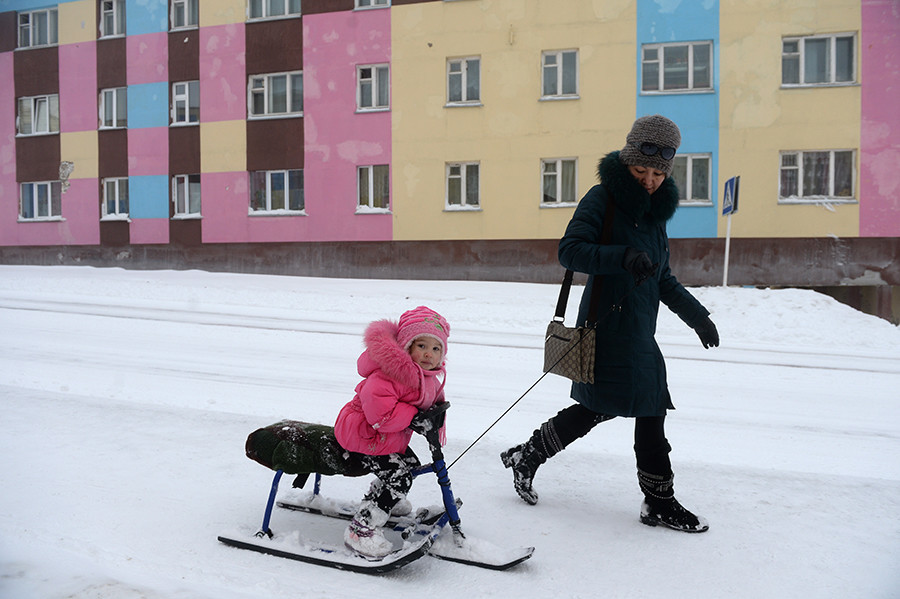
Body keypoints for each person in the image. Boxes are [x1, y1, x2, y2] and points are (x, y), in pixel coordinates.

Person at [501, 114, 720, 533]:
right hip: (606, 329)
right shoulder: (602, 199)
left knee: (628, 408)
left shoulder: (656, 214)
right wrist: (620, 256)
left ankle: (530, 454)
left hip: (640, 333)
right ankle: (657, 501)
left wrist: (699, 317)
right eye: (642, 170)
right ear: (628, 162)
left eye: (658, 173)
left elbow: (663, 278)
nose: (650, 180)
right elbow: (570, 251)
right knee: (604, 408)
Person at [334, 306, 450, 556]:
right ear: (407, 345)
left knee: (410, 464)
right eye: (422, 346)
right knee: (399, 475)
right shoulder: (389, 374)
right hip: (363, 432)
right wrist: (413, 418)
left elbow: (430, 397)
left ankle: (384, 499)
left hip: (385, 436)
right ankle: (361, 529)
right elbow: (381, 415)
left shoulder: (424, 376)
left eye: (435, 348)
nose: (428, 354)